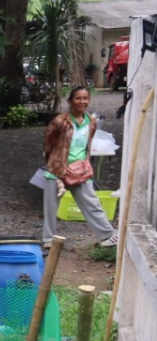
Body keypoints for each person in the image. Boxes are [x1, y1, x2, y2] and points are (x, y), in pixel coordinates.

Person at [42, 86, 117, 250]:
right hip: (57, 169)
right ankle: (48, 240)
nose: (82, 102)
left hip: (81, 169)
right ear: (70, 101)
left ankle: (107, 236)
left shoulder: (91, 122)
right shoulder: (59, 122)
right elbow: (48, 145)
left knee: (92, 203)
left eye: (85, 98)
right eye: (78, 98)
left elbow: (87, 144)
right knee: (51, 207)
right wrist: (53, 164)